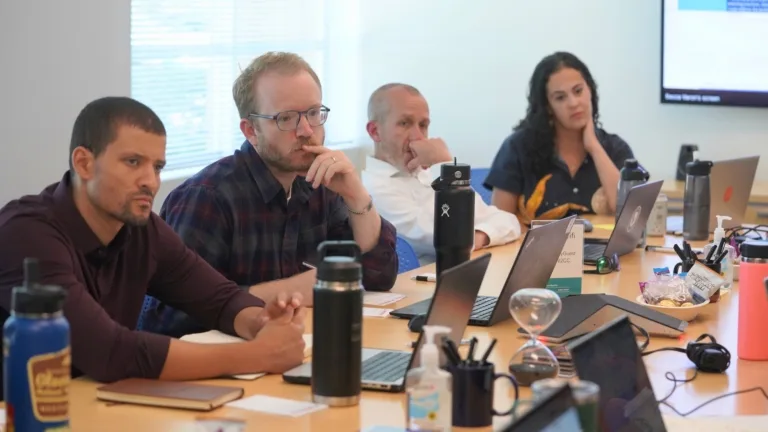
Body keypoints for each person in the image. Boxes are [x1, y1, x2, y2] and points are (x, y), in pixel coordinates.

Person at [0, 97, 308, 392]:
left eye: (157, 167)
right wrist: (258, 356)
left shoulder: (141, 228)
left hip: (90, 404)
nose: (150, 181)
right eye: (133, 162)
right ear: (84, 163)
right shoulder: (26, 234)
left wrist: (261, 322)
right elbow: (108, 352)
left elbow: (220, 299)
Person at [141, 52, 398, 337]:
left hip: (297, 347)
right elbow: (171, 318)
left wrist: (355, 194)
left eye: (314, 113)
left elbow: (378, 274)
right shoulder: (207, 197)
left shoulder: (320, 183)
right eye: (286, 118)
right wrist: (290, 292)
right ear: (251, 130)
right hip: (226, 368)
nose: (306, 130)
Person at [362, 83, 521, 264]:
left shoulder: (426, 175)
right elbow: (450, 238)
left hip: (462, 274)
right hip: (422, 287)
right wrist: (443, 164)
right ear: (375, 131)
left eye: (423, 125)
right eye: (404, 123)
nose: (418, 136)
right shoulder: (373, 190)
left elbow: (508, 222)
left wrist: (478, 237)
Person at [483, 52, 637, 226]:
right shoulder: (518, 148)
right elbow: (499, 225)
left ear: (590, 91)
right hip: (535, 251)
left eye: (578, 91)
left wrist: (594, 147)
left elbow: (631, 217)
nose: (573, 103)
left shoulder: (615, 148)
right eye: (560, 97)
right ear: (548, 106)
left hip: (602, 252)